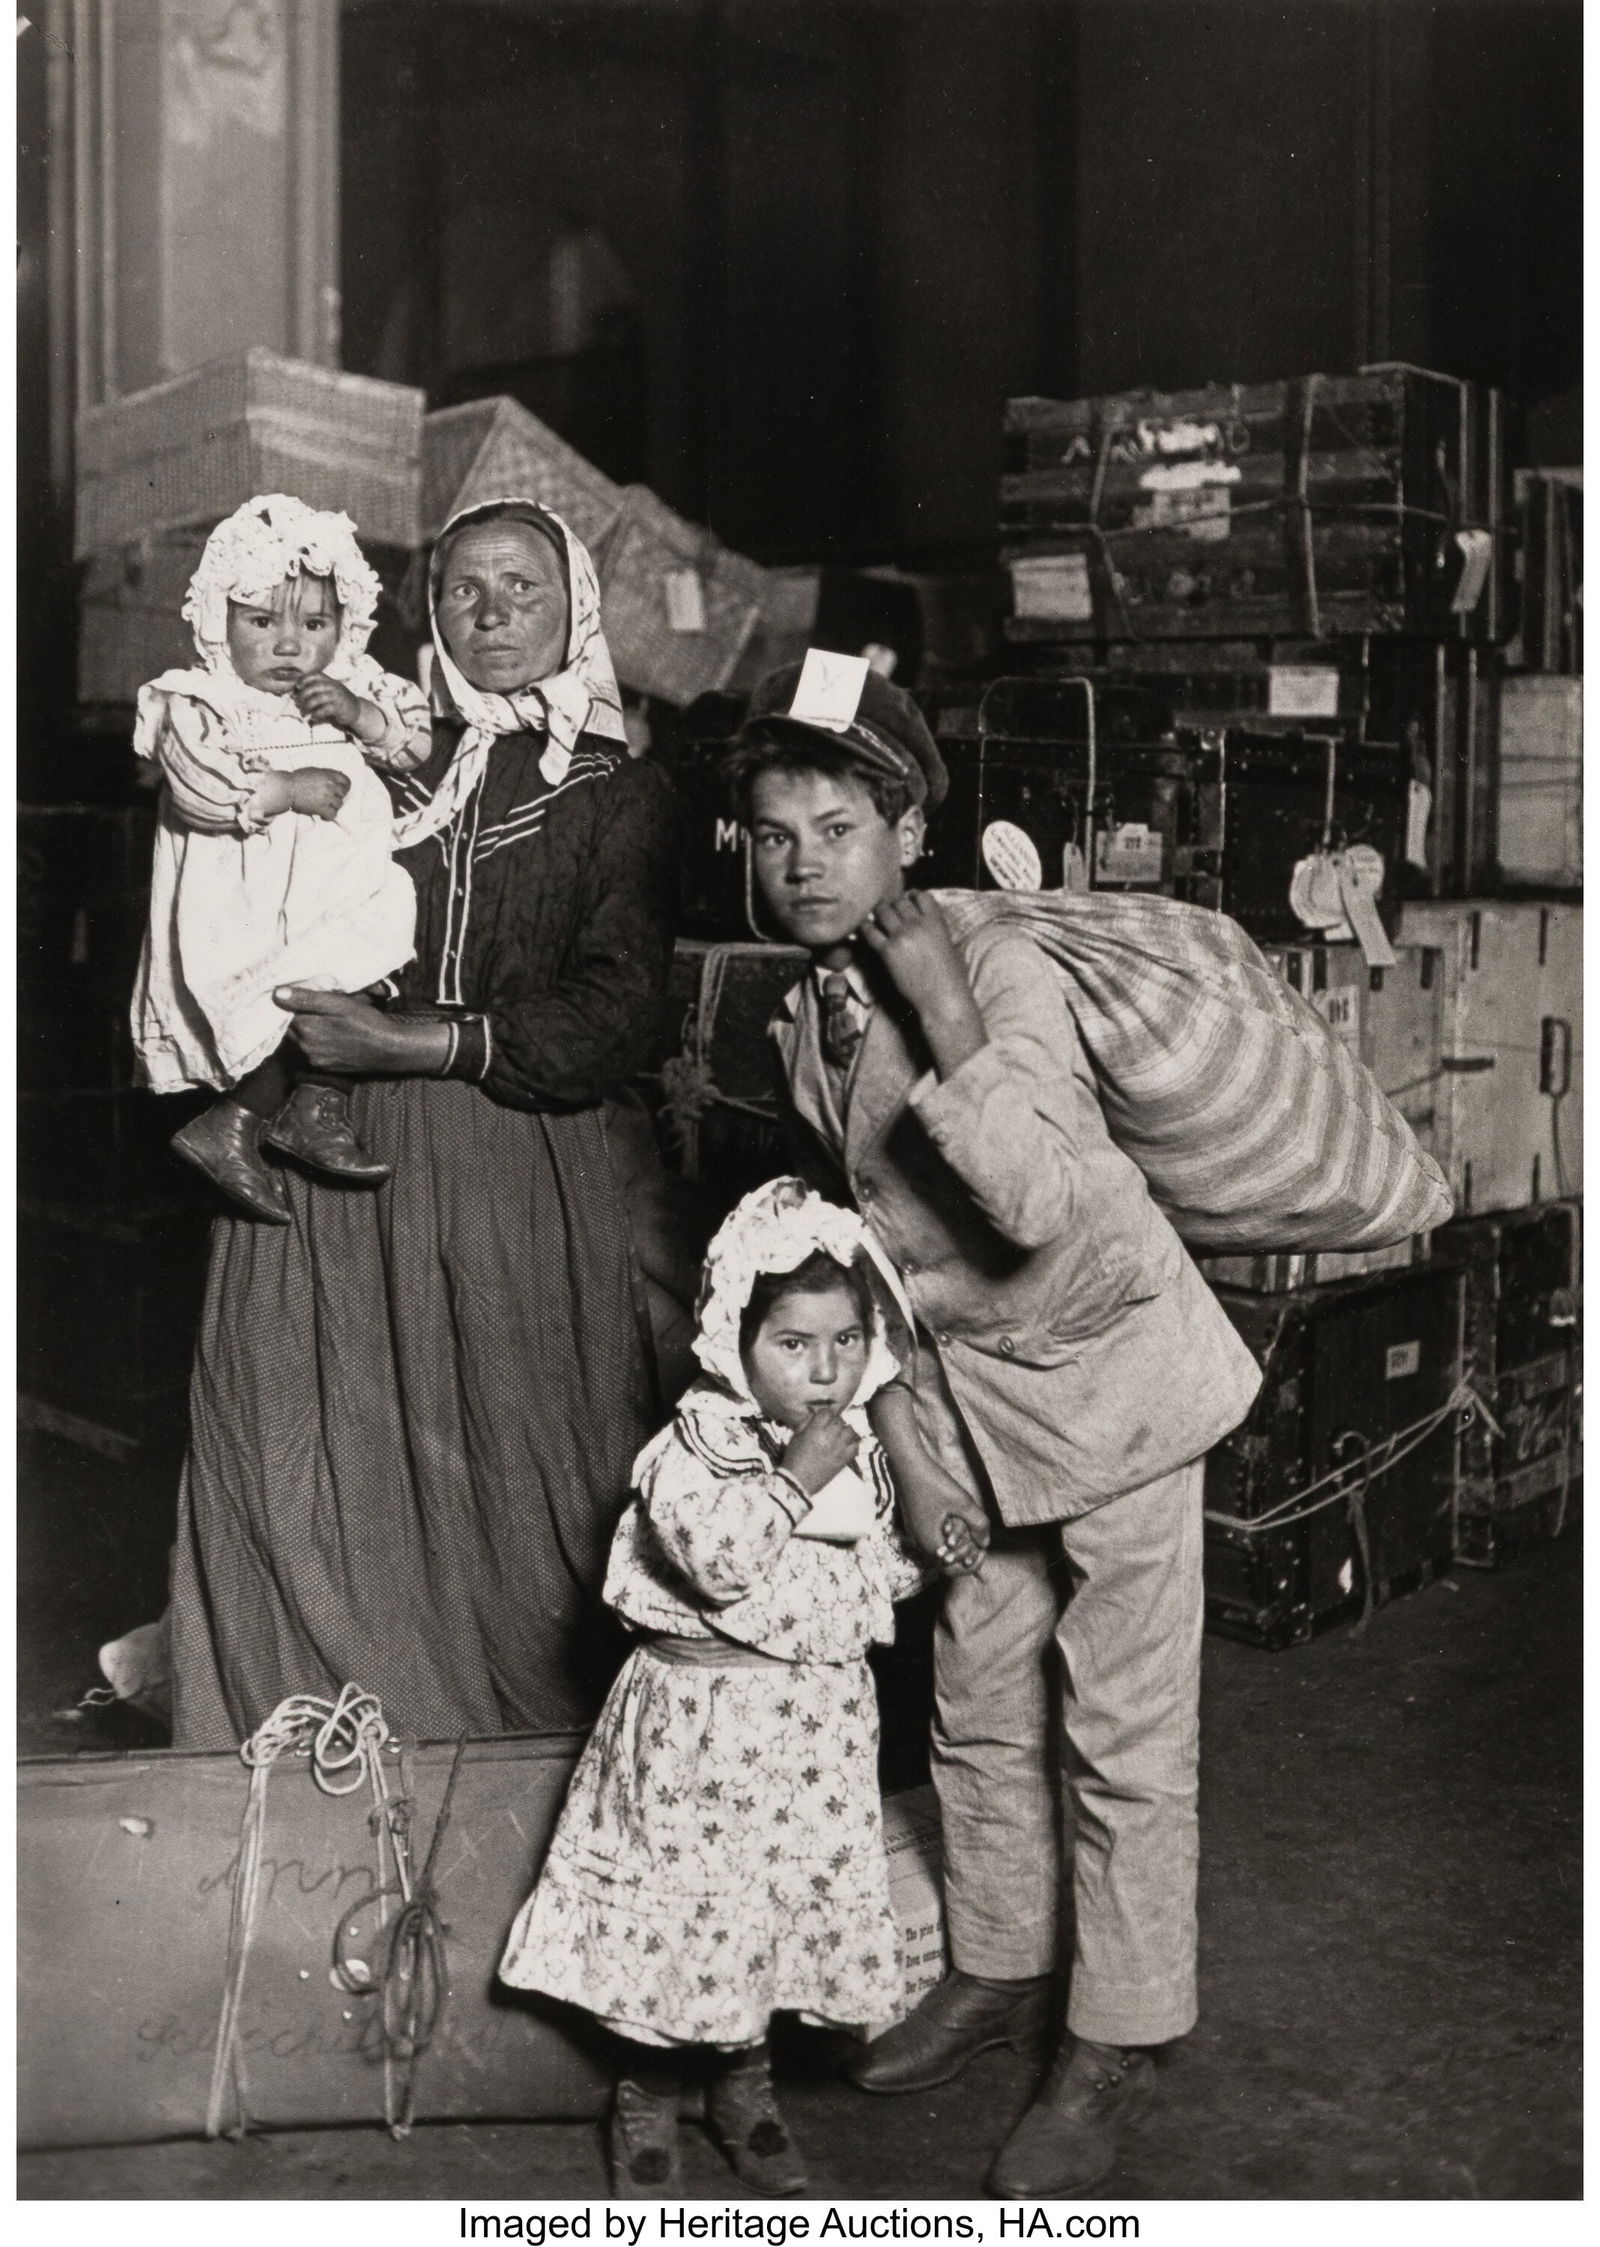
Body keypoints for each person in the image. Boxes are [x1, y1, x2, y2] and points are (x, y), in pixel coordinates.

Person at [722, 655, 1263, 2198]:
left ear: (909, 829)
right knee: (972, 1694)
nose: (806, 859)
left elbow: (1027, 1196)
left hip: (1114, 1382)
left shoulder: (1000, 963)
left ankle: (1120, 2033)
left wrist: (948, 1004)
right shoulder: (805, 1008)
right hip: (967, 1406)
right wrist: (905, 1443)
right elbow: (873, 1252)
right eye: (774, 834)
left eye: (838, 824)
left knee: (1125, 1728)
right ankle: (1005, 1963)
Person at [166, 496, 679, 1749]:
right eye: (462, 590)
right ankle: (302, 1761)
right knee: (292, 1454)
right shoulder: (372, 751)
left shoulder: (623, 793)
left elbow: (617, 1017)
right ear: (426, 612)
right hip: (320, 1159)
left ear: (577, 612)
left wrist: (412, 1040)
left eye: (523, 589)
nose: (492, 613)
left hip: (508, 1164)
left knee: (515, 1492)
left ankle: (503, 1786)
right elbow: (226, 787)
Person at [500, 1178, 942, 2199]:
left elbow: (853, 1581)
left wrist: (926, 1550)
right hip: (699, 1735)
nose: (823, 1371)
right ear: (734, 1342)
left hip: (807, 1737)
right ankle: (649, 2093)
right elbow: (719, 1563)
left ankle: (746, 2094)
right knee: (687, 1921)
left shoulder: (857, 1448)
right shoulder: (693, 1452)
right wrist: (793, 1478)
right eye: (793, 1344)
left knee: (767, 1921)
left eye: (843, 1342)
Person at [131, 494, 430, 1219]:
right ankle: (235, 1117)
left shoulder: (354, 687)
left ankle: (313, 1107)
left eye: (315, 624)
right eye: (262, 622)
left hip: (340, 885)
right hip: (250, 897)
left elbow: (417, 745)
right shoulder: (202, 701)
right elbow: (198, 789)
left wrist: (361, 716)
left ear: (346, 626)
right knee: (278, 1000)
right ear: (218, 621)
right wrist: (284, 787)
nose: (290, 645)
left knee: (358, 969)